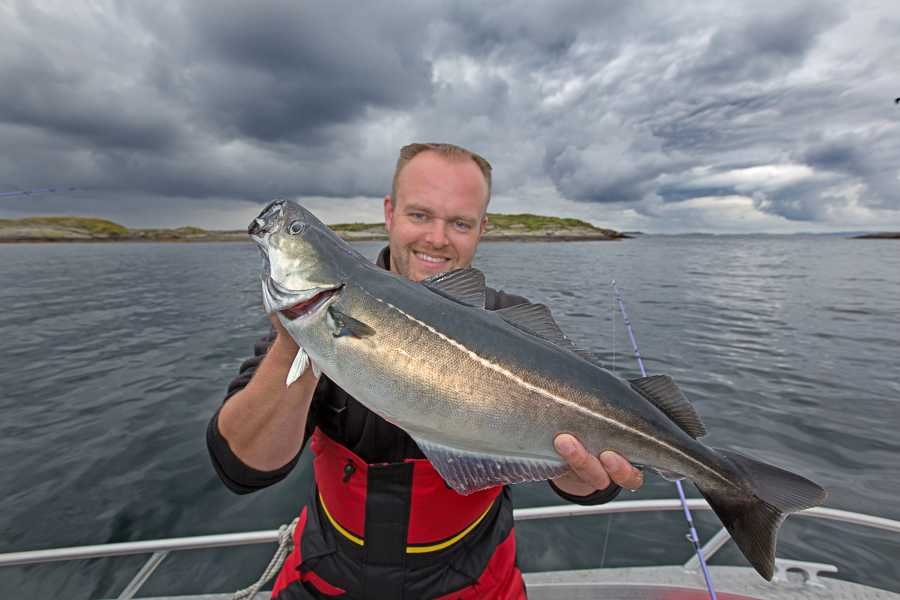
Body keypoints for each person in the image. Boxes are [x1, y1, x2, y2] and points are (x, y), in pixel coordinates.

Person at [207, 143, 644, 599]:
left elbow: (588, 476)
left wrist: (580, 479)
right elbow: (242, 469)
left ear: (482, 229)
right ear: (390, 213)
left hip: (475, 584)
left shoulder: (519, 328)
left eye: (459, 223)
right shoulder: (312, 324)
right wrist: (295, 338)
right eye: (420, 215)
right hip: (327, 580)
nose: (437, 238)